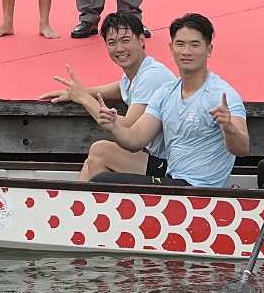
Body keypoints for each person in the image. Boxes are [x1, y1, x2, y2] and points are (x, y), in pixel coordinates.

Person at [85, 13, 248, 187]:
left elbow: (242, 148)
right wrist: (113, 127)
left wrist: (230, 129)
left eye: (194, 45)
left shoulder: (221, 95)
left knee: (101, 180)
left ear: (209, 49)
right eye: (180, 44)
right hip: (172, 181)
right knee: (99, 163)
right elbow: (135, 139)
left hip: (201, 191)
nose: (186, 51)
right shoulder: (165, 93)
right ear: (171, 48)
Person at [41, 11, 176, 181]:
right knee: (92, 161)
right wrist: (78, 92)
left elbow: (128, 128)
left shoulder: (152, 76)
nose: (119, 48)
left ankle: (84, 198)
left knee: (100, 151)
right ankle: (78, 197)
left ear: (142, 40)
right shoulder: (138, 72)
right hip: (159, 158)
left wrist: (84, 98)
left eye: (125, 40)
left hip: (173, 165)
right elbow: (120, 88)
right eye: (112, 43)